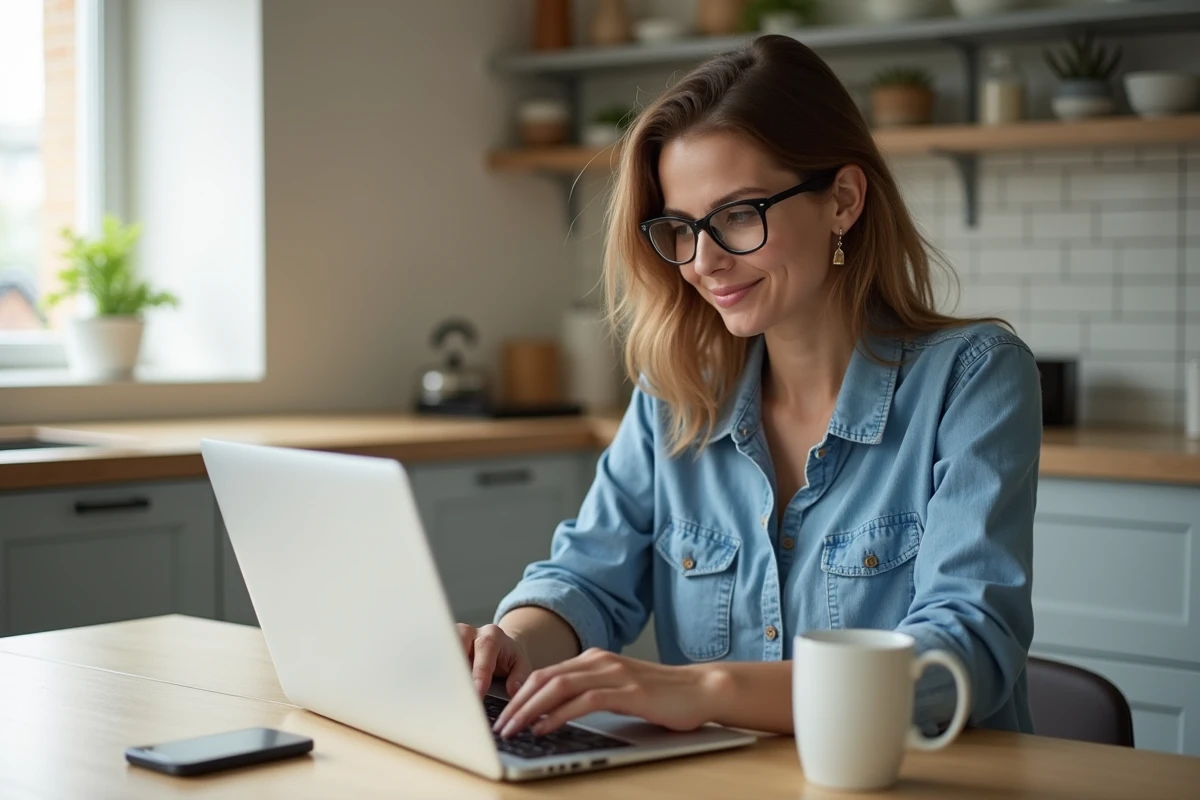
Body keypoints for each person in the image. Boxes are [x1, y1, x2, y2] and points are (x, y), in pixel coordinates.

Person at [460, 34, 1040, 741]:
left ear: (844, 201)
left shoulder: (974, 377)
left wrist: (703, 689)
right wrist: (514, 641)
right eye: (681, 227)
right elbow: (586, 579)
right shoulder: (676, 393)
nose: (703, 262)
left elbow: (962, 653)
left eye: (738, 215)